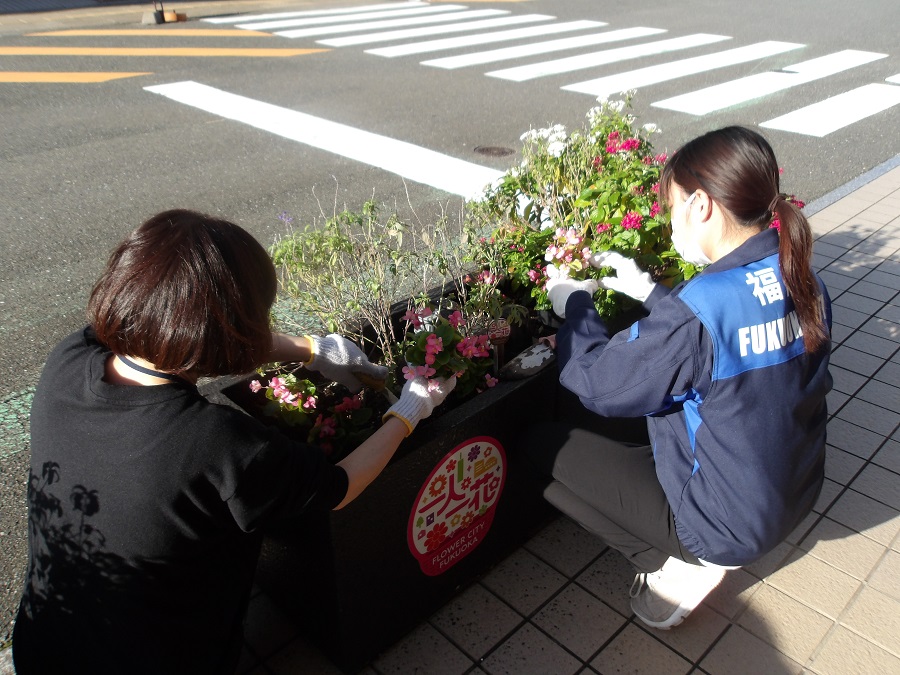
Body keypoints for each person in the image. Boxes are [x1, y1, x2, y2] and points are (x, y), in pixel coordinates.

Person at [12, 209, 455, 674]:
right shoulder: (217, 444)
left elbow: (172, 333)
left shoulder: (71, 356)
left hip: (44, 642)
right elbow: (340, 487)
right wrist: (408, 412)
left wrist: (310, 348)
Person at [536, 127, 832, 630]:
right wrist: (649, 291)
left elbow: (596, 383)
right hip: (796, 493)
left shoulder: (696, 316)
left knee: (542, 447)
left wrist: (576, 305)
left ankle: (675, 568)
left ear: (701, 206)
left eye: (672, 206)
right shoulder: (801, 277)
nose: (671, 220)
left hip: (726, 526)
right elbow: (726, 332)